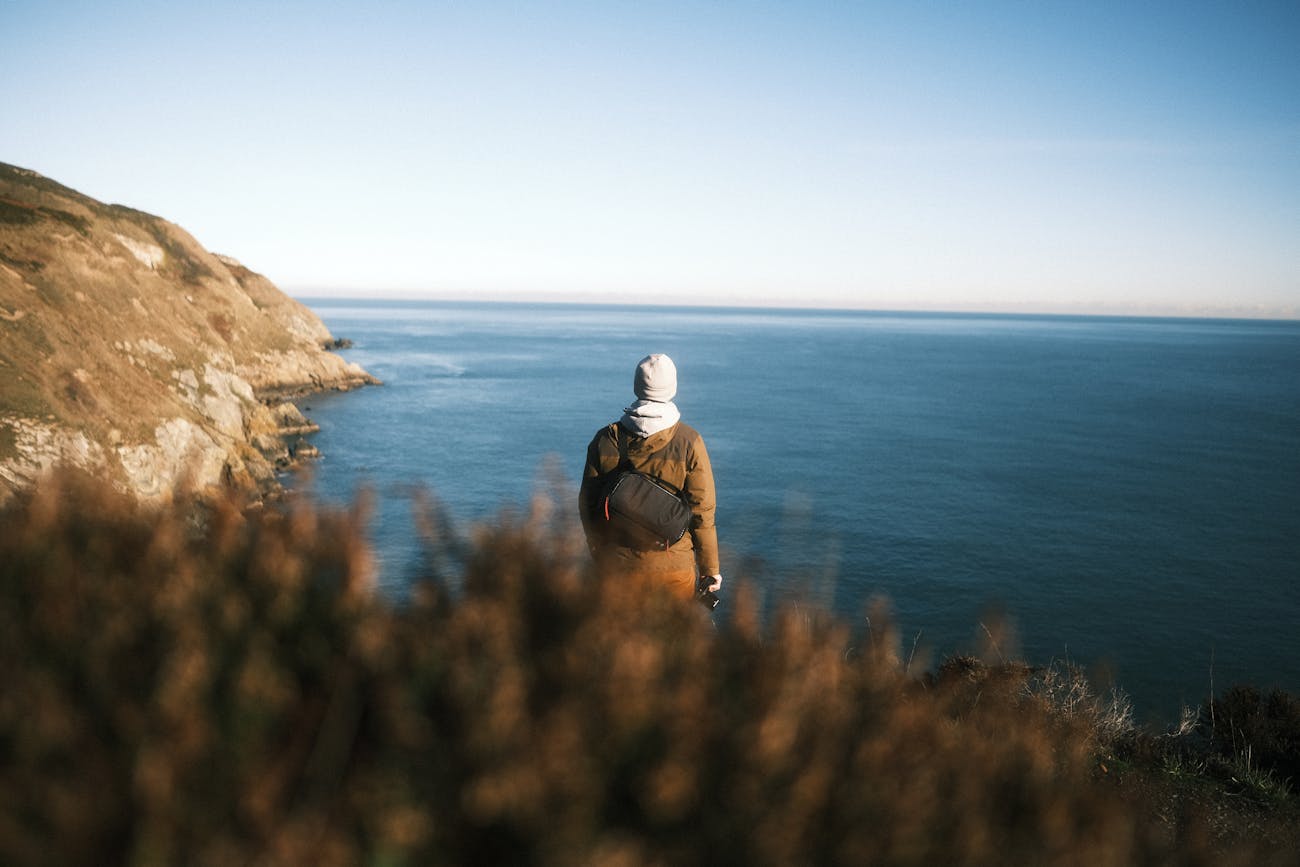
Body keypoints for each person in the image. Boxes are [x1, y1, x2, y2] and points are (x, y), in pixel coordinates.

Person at [579, 354, 722, 601]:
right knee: (673, 639)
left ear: (637, 385)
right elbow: (702, 513)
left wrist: (600, 554)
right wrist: (710, 571)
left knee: (620, 638)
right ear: (672, 388)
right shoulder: (689, 442)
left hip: (619, 568)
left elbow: (588, 505)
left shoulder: (605, 440)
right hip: (674, 570)